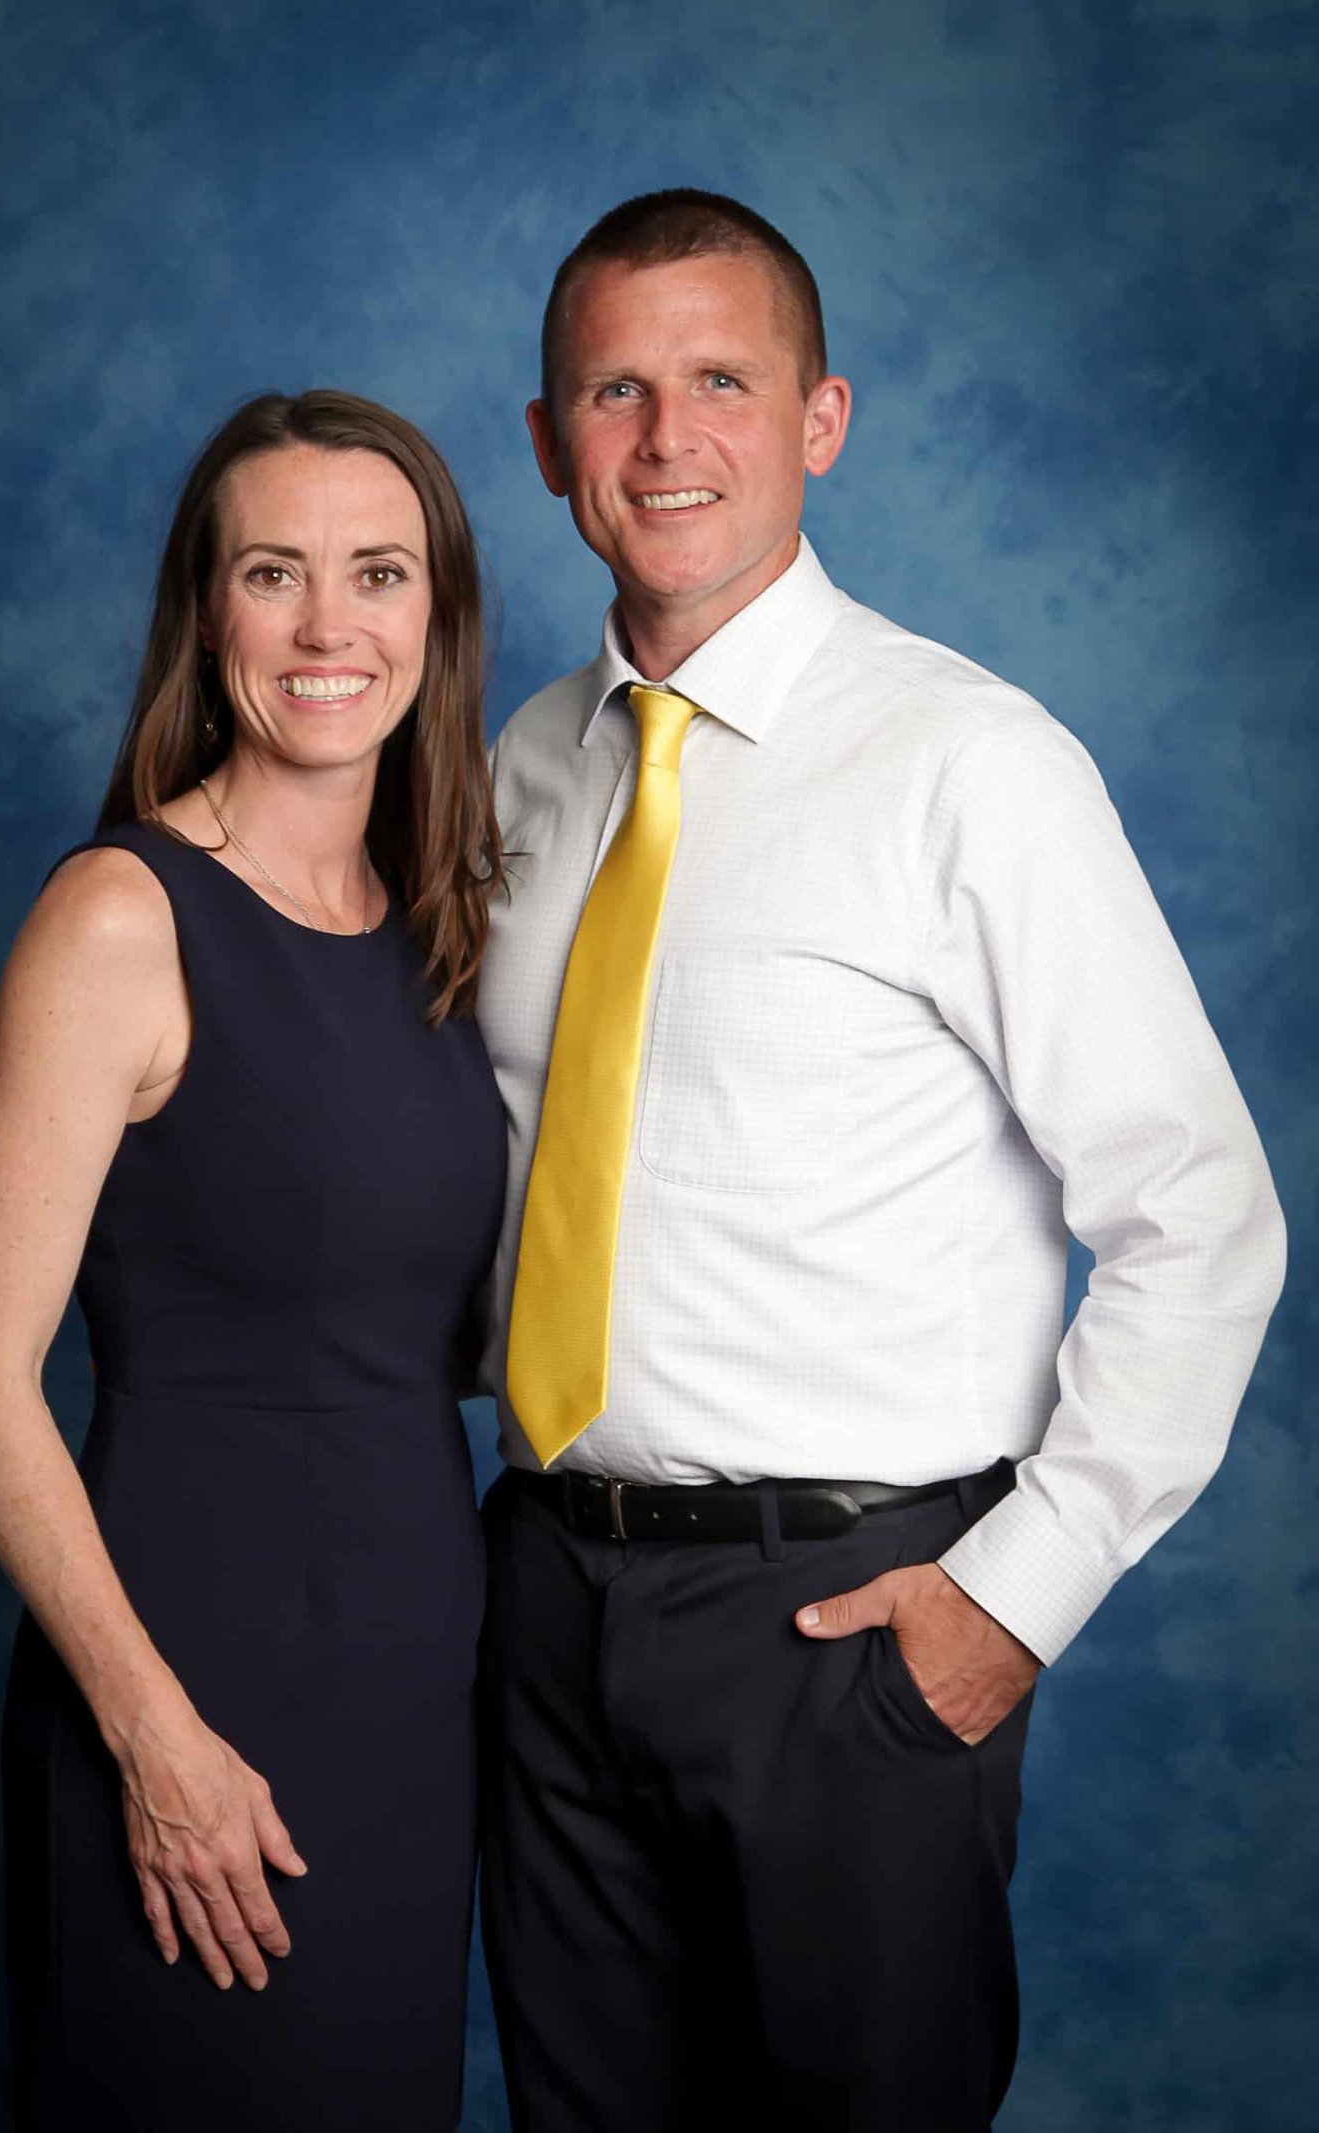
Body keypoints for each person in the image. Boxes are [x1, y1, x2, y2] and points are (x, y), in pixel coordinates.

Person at [474, 190, 1285, 2132]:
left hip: (841, 1613)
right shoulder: (521, 764)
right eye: (614, 388)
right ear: (546, 442)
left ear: (819, 419)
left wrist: (1013, 1591)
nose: (665, 438)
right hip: (543, 1594)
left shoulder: (967, 761)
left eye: (720, 382)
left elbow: (1196, 1215)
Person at [0, 389, 506, 2131]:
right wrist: (153, 1738)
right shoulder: (122, 913)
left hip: (413, 1691)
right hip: (186, 1688)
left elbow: (425, 1331)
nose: (332, 626)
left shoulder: (442, 931)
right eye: (277, 573)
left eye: (379, 573)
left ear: (436, 618)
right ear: (210, 611)